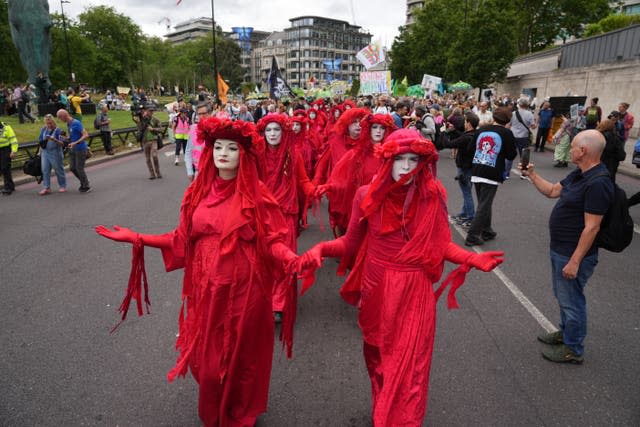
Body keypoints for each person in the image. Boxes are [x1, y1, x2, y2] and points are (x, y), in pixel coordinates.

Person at [95, 117, 299, 426]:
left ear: (244, 154)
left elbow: (273, 241)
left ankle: (240, 413)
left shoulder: (257, 195)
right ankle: (217, 409)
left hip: (246, 292)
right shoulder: (198, 193)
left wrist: (291, 259)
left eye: (232, 148)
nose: (224, 153)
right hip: (208, 291)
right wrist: (138, 238)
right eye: (218, 147)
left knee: (241, 358)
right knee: (209, 363)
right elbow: (180, 240)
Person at [297, 129, 504, 426]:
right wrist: (320, 248)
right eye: (399, 160)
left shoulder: (433, 195)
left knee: (409, 366)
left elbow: (440, 243)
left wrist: (472, 258)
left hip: (414, 290)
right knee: (378, 358)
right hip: (377, 289)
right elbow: (350, 244)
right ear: (388, 161)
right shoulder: (365, 195)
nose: (406, 167)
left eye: (413, 160)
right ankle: (384, 405)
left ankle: (400, 419)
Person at [521, 130, 613, 364]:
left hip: (573, 254)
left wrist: (575, 261)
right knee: (564, 296)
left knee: (572, 300)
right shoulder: (580, 174)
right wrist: (532, 175)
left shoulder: (598, 182)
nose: (568, 149)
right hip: (561, 249)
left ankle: (573, 348)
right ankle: (566, 333)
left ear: (583, 151)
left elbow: (592, 227)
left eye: (572, 146)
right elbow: (553, 191)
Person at [256, 114, 316, 321]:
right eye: (268, 130)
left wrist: (315, 191)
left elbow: (303, 180)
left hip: (286, 215)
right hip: (263, 215)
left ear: (284, 132)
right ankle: (265, 298)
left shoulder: (294, 155)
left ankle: (278, 303)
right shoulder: (256, 156)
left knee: (284, 258)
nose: (272, 134)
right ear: (263, 133)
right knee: (264, 259)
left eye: (277, 130)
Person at [317, 113, 396, 237]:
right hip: (361, 203)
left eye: (382, 128)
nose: (378, 131)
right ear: (369, 129)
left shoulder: (393, 155)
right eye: (375, 127)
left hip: (384, 204)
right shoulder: (356, 153)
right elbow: (341, 176)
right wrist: (329, 186)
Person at [465, 107, 517, 246]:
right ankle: (472, 235)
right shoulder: (506, 133)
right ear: (507, 120)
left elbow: (470, 149)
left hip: (477, 168)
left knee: (484, 202)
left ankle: (487, 230)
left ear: (494, 117)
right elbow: (511, 154)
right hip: (492, 171)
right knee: (484, 204)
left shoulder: (481, 130)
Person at [313, 108, 368, 186]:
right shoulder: (336, 142)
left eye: (361, 122)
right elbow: (322, 164)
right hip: (338, 187)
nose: (358, 125)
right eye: (354, 122)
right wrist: (316, 183)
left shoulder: (367, 142)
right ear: (347, 124)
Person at [442, 112, 479, 227]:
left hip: (464, 167)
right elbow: (462, 136)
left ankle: (470, 217)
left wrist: (443, 132)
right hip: (471, 167)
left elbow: (448, 144)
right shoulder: (476, 134)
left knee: (466, 193)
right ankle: (464, 213)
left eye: (465, 121)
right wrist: (454, 130)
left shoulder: (466, 137)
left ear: (468, 123)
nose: (463, 123)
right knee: (467, 191)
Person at [56, 109, 91, 192]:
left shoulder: (76, 123)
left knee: (79, 168)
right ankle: (84, 181)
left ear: (64, 116)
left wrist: (75, 142)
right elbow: (73, 135)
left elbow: (86, 135)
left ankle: (86, 186)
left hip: (80, 149)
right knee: (72, 168)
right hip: (72, 148)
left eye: (60, 118)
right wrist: (67, 138)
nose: (60, 120)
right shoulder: (69, 124)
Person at [506, 98, 536, 180]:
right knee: (524, 156)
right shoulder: (529, 114)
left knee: (510, 155)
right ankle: (523, 174)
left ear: (519, 104)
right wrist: (530, 125)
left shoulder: (513, 113)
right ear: (527, 105)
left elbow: (508, 125)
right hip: (524, 137)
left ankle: (506, 173)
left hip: (512, 136)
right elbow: (533, 126)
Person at [37, 114, 67, 195]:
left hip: (55, 152)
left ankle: (62, 185)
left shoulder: (58, 131)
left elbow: (63, 144)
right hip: (45, 152)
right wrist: (40, 152)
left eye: (50, 123)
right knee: (45, 170)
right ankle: (47, 187)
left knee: (58, 170)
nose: (49, 125)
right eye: (47, 123)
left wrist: (54, 140)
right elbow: (40, 141)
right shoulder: (43, 129)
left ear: (53, 122)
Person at [134, 105, 162, 180]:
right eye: (149, 111)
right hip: (144, 141)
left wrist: (153, 129)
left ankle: (158, 172)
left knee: (154, 155)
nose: (151, 112)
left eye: (152, 111)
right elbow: (139, 129)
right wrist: (139, 121)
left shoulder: (156, 120)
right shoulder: (141, 120)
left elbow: (160, 129)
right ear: (146, 111)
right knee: (147, 158)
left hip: (153, 140)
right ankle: (152, 173)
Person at [185, 103, 211, 182]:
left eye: (204, 113)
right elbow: (188, 152)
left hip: (212, 173)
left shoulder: (216, 130)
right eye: (199, 114)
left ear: (210, 113)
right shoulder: (193, 129)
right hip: (197, 172)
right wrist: (190, 171)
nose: (201, 116)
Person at [597, 118, 624, 182]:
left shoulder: (596, 136)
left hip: (596, 167)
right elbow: (622, 156)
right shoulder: (616, 138)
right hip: (610, 168)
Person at [0, 121, 18, 195]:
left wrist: (13, 151)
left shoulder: (7, 128)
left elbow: (13, 140)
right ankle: (11, 186)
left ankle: (7, 188)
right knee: (4, 168)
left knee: (5, 167)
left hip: (6, 149)